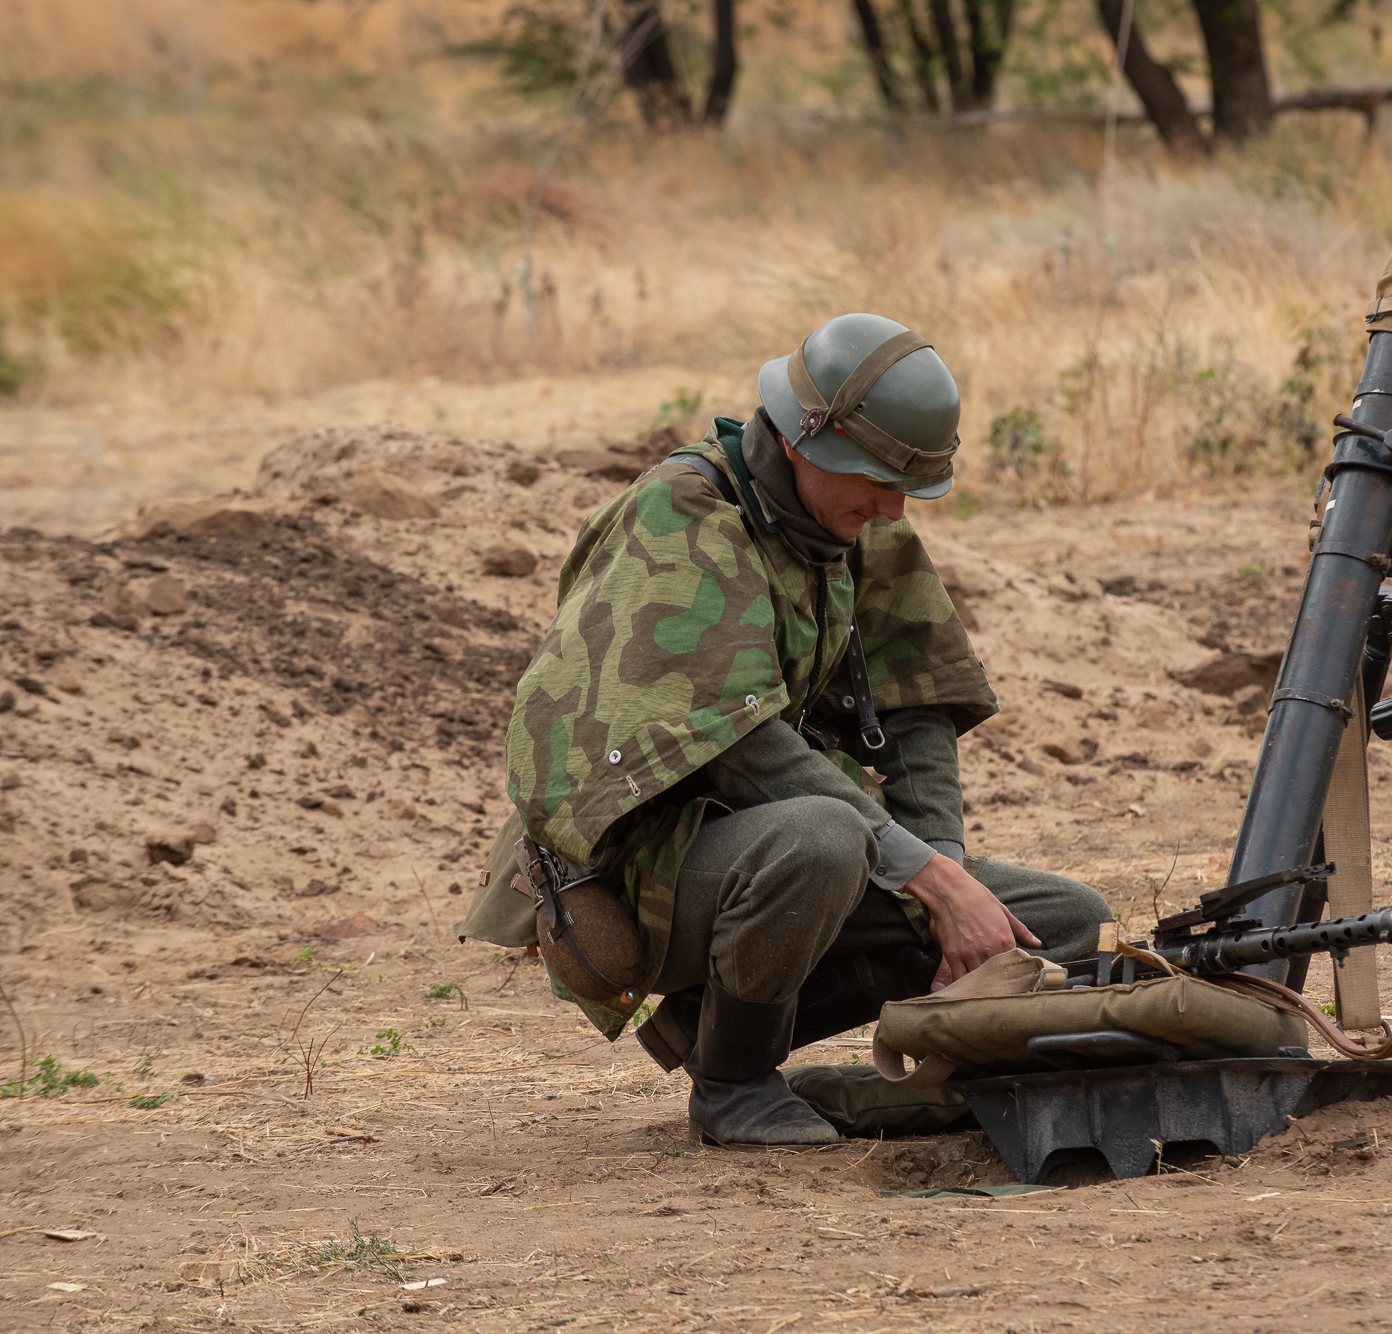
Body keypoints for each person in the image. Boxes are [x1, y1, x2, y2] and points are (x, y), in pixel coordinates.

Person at [458, 313, 1111, 1147]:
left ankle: (713, 1028)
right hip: (642, 863)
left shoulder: (850, 519)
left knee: (1064, 921)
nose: (892, 504)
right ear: (810, 438)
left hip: (784, 851)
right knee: (823, 835)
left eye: (908, 484)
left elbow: (916, 709)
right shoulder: (682, 515)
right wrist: (935, 887)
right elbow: (742, 750)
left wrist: (947, 876)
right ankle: (734, 1085)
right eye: (877, 477)